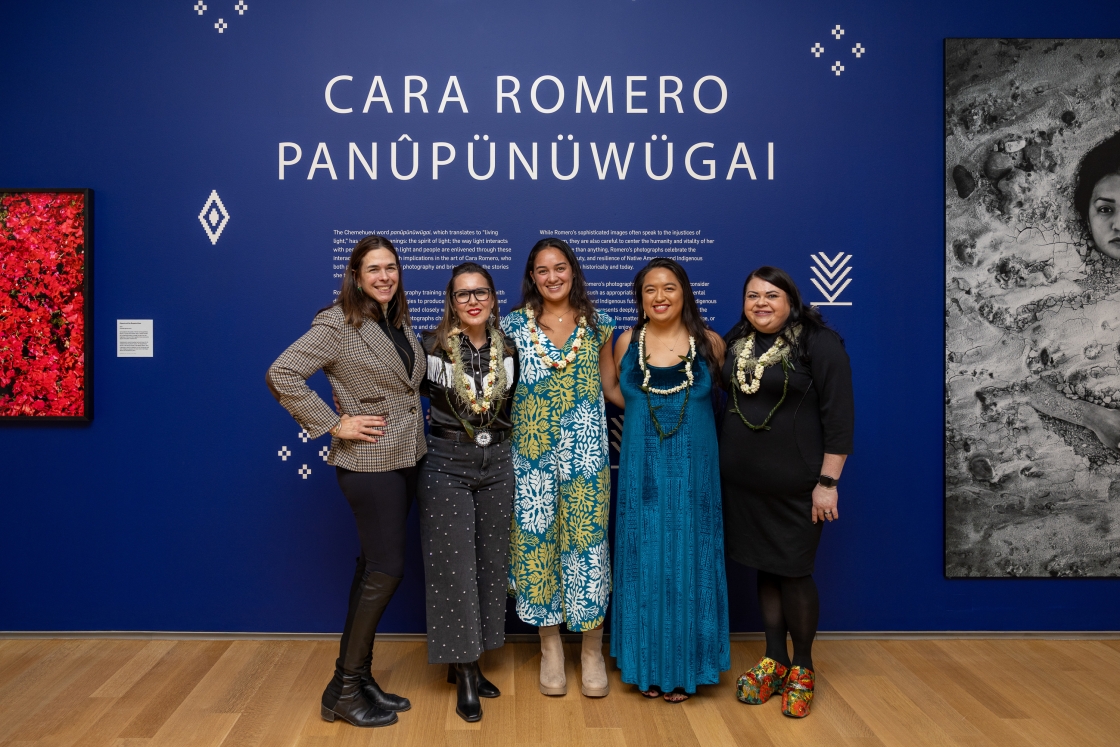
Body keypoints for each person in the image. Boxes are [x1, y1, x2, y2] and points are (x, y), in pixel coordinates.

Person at [266, 235, 425, 728]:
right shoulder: (337, 323)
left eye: (391, 267)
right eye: (373, 269)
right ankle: (345, 689)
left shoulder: (396, 319)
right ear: (356, 276)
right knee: (386, 571)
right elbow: (282, 373)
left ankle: (355, 680)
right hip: (369, 464)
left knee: (371, 568)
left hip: (407, 457)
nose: (384, 276)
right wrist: (335, 423)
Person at [721, 266, 853, 719]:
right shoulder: (737, 341)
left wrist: (828, 484)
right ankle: (774, 659)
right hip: (744, 486)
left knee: (794, 571)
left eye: (771, 295)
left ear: (791, 301)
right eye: (753, 295)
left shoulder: (819, 342)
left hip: (798, 487)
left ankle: (803, 667)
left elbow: (840, 419)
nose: (761, 303)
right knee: (767, 566)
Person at [501, 237, 621, 698]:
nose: (552, 277)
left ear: (573, 271)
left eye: (560, 268)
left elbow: (612, 388)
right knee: (537, 545)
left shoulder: (600, 325)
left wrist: (668, 405)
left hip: (586, 456)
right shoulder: (511, 326)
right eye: (542, 270)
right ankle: (550, 648)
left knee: (587, 547)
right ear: (532, 277)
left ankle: (591, 651)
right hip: (530, 455)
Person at [609, 258, 730, 702]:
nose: (659, 297)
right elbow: (615, 392)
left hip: (694, 476)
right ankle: (646, 666)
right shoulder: (626, 342)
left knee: (690, 559)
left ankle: (688, 668)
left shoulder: (711, 343)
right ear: (640, 299)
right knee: (645, 559)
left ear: (685, 294)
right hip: (641, 472)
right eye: (650, 289)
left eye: (669, 288)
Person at [418, 262, 518, 722]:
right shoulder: (430, 347)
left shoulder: (509, 348)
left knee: (491, 563)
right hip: (447, 461)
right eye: (463, 294)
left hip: (498, 460)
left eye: (481, 292)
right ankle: (464, 671)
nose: (473, 301)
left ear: (493, 299)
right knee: (453, 566)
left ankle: (473, 657)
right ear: (452, 302)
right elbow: (397, 390)